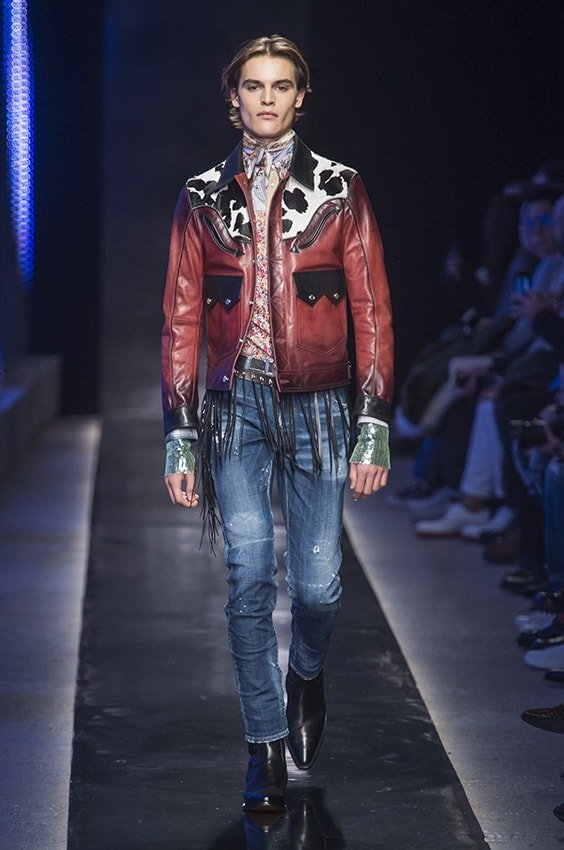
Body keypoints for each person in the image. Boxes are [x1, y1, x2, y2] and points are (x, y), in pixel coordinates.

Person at [160, 35, 394, 813]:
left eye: (281, 85)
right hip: (236, 407)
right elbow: (181, 319)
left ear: (301, 96)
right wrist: (180, 430)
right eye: (254, 86)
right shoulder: (201, 195)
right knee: (249, 575)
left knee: (319, 587)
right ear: (234, 99)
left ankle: (307, 675)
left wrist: (373, 420)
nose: (267, 98)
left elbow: (372, 309)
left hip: (321, 404)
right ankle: (262, 745)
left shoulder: (339, 188)